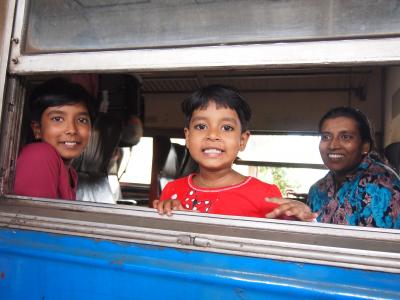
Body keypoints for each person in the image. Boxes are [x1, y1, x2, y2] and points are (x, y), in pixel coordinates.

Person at [153, 84, 284, 218]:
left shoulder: (266, 195)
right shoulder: (172, 189)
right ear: (187, 136)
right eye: (201, 126)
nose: (213, 135)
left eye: (227, 128)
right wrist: (167, 211)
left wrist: (298, 218)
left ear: (242, 141)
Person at [268, 107, 400, 228]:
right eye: (326, 137)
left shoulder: (382, 188)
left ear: (365, 146)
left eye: (345, 137)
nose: (332, 145)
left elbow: (378, 250)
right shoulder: (317, 189)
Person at [13, 78, 95, 200]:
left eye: (82, 120)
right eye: (57, 119)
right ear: (37, 129)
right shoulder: (39, 155)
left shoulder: (71, 173)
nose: (72, 130)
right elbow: (35, 217)